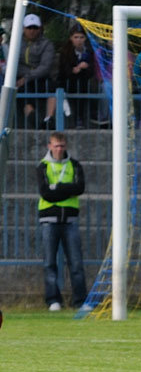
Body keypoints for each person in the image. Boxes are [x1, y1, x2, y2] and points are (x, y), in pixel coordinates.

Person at [37, 132, 88, 311]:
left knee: (76, 262)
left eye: (62, 146)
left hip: (70, 220)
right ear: (49, 146)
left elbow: (80, 187)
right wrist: (67, 190)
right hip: (49, 220)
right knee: (50, 262)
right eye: (56, 145)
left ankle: (80, 301)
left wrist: (58, 188)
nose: (59, 149)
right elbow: (45, 192)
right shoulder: (43, 166)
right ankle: (53, 300)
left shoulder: (74, 165)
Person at [17, 14, 57, 130]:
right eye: (29, 28)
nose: (32, 31)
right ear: (24, 28)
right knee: (23, 93)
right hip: (22, 79)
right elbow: (14, 64)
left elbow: (45, 66)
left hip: (40, 78)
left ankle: (49, 119)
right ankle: (35, 121)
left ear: (40, 29)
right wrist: (26, 76)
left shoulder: (47, 44)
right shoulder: (16, 43)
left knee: (52, 87)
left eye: (35, 28)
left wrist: (28, 76)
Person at [57, 24, 98, 128]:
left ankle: (89, 117)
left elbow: (94, 68)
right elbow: (63, 70)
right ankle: (75, 119)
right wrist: (74, 70)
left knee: (88, 87)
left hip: (85, 80)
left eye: (81, 37)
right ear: (71, 38)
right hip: (68, 81)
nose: (79, 40)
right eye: (76, 37)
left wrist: (86, 67)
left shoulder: (89, 51)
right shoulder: (65, 52)